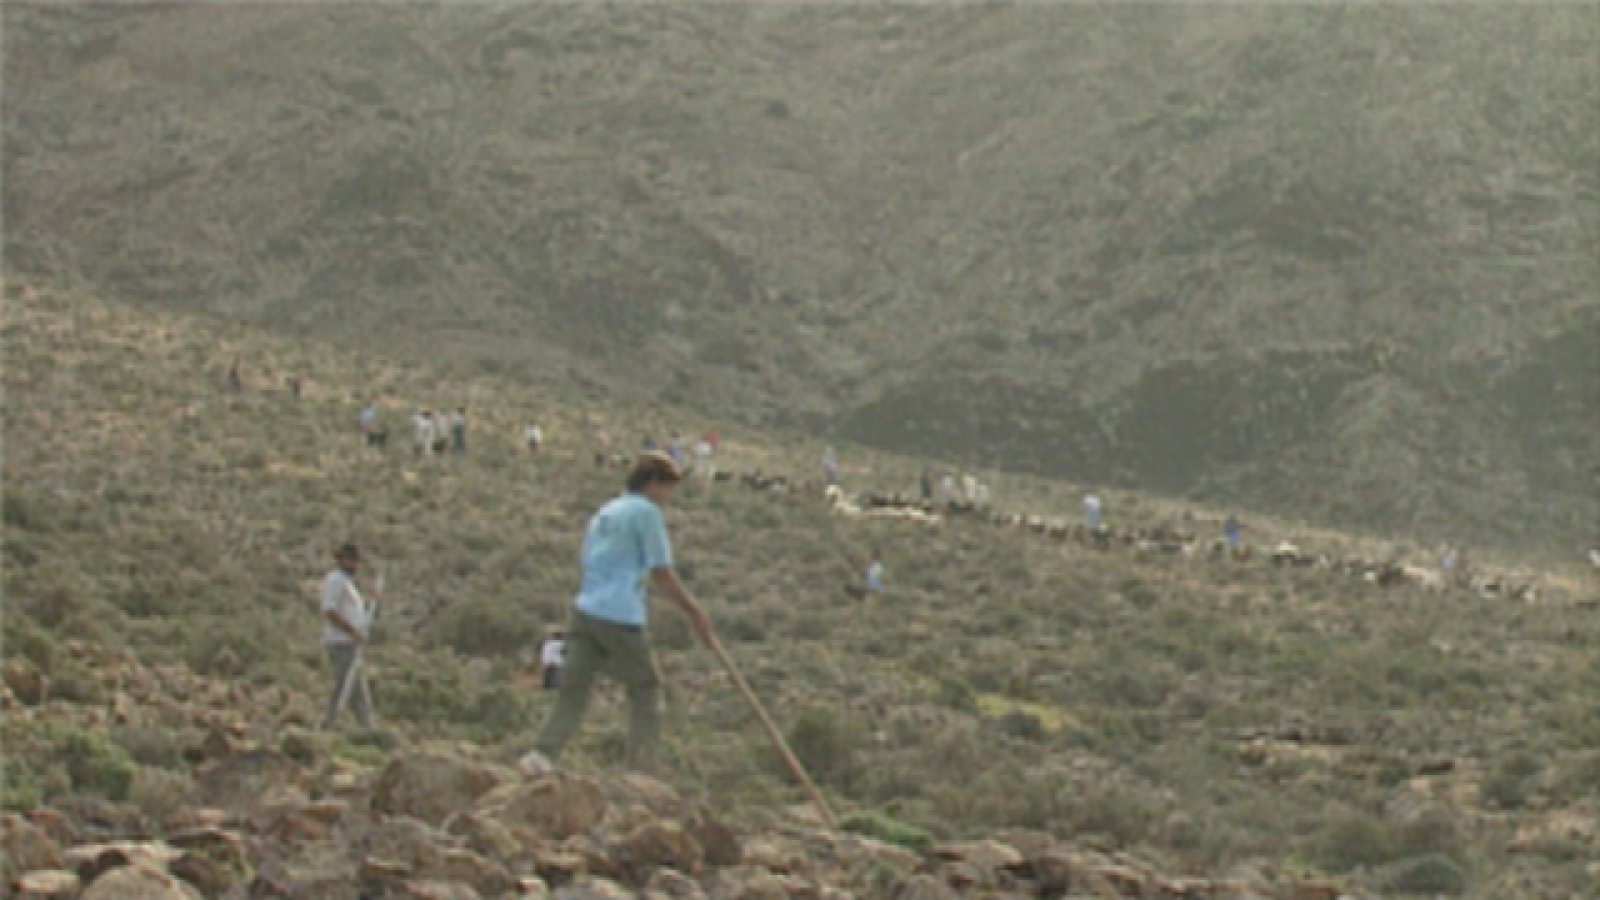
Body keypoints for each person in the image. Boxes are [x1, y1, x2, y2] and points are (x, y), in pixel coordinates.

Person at [520, 455, 715, 775]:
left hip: (586, 609)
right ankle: (641, 769)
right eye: (668, 488)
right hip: (620, 614)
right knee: (645, 687)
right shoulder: (646, 513)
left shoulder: (606, 511)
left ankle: (542, 754)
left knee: (574, 687)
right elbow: (661, 572)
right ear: (653, 482)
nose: (670, 497)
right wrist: (694, 611)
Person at [320, 544, 377, 731]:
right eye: (353, 561)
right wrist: (352, 632)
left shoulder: (346, 583)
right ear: (344, 561)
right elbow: (330, 611)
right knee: (349, 687)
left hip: (350, 643)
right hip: (341, 643)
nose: (356, 566)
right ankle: (331, 726)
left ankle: (363, 726)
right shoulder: (335, 580)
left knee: (352, 687)